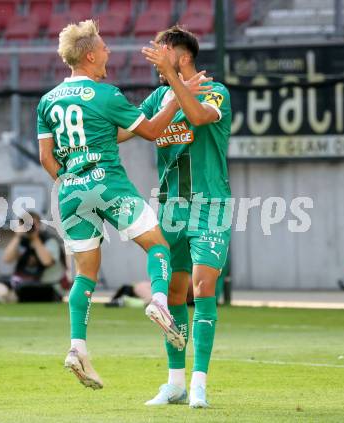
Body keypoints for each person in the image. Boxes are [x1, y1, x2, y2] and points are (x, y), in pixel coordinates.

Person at [37, 20, 212, 390]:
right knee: (157, 244)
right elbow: (150, 131)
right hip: (108, 182)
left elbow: (46, 157)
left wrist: (69, 181)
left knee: (85, 273)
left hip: (70, 193)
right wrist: (178, 101)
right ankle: (160, 301)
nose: (108, 53)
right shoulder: (107, 95)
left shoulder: (48, 101)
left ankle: (77, 347)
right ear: (89, 55)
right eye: (103, 48)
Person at [118, 26, 232, 408]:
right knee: (175, 295)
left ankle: (199, 383)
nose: (154, 58)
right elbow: (130, 130)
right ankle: (175, 383)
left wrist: (171, 78)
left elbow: (198, 117)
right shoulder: (158, 97)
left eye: (161, 52)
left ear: (181, 56)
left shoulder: (215, 91)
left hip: (210, 205)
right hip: (171, 208)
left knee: (203, 288)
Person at [0, 212, 64, 303]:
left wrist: (35, 239)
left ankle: (13, 298)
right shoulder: (21, 240)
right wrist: (17, 237)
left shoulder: (49, 240)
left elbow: (47, 262)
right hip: (22, 282)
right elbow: (7, 259)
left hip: (45, 285)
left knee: (25, 289)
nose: (29, 227)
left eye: (32, 224)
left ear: (39, 225)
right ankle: (7, 297)